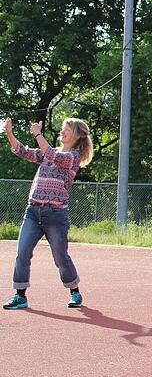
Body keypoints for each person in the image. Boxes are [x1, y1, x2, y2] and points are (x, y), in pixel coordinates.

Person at [2, 117, 93, 310]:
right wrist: (9, 133)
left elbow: (52, 155)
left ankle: (74, 291)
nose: (62, 132)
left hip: (55, 215)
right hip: (33, 212)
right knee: (22, 252)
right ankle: (20, 295)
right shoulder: (49, 153)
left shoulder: (72, 157)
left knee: (60, 256)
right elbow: (23, 151)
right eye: (62, 128)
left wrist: (37, 133)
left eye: (66, 129)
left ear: (76, 136)